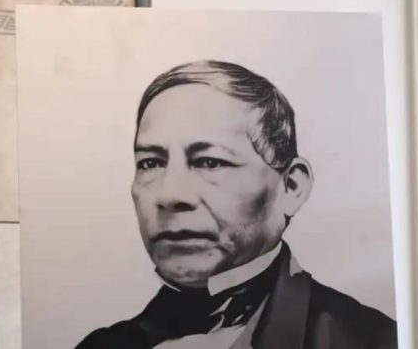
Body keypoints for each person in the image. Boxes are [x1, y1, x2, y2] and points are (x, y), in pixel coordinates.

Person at [78, 60, 396, 349]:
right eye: (151, 163)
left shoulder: (374, 341)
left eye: (210, 162)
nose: (169, 195)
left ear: (291, 187)